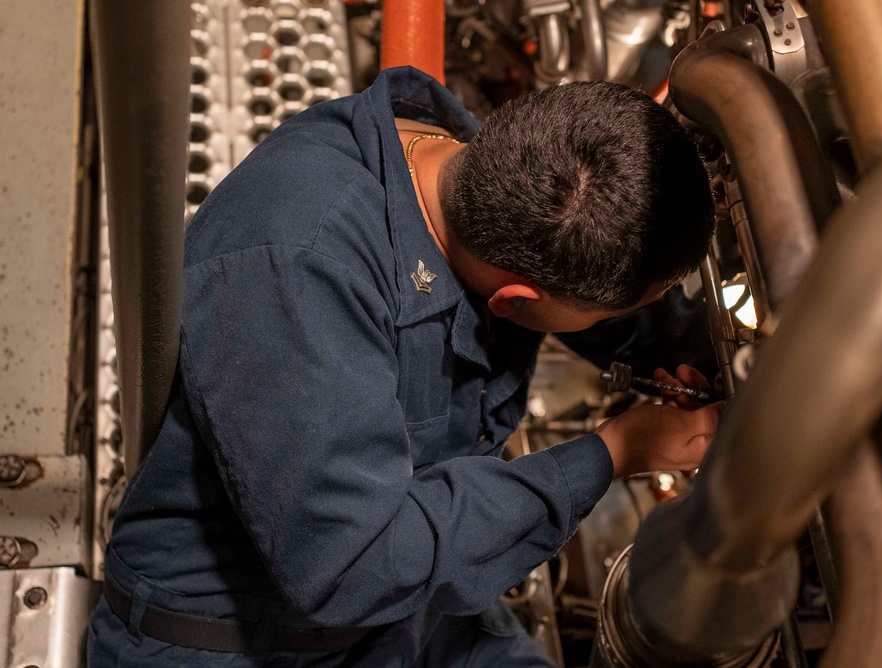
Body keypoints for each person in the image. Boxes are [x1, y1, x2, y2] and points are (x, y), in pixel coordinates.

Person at [87, 66, 720, 666]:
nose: (606, 327)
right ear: (515, 299)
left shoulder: (498, 177)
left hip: (403, 614)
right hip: (231, 639)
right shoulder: (298, 271)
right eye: (601, 316)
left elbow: (584, 266)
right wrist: (611, 453)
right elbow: (356, 564)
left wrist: (688, 349)